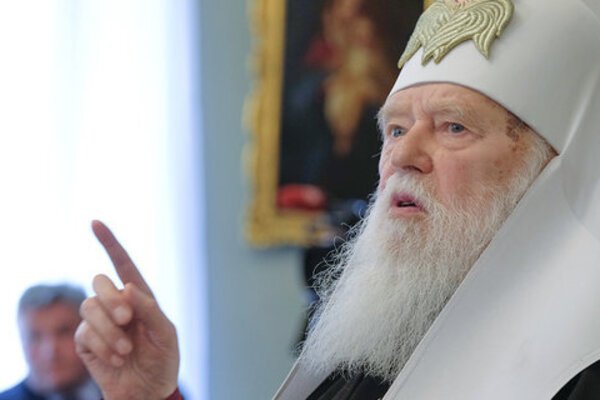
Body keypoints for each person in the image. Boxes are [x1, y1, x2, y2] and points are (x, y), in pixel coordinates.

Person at [75, 0, 600, 399]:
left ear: (549, 165)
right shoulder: (380, 336)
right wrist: (155, 395)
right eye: (395, 130)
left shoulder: (582, 365)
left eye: (453, 127)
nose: (401, 157)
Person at [0, 284, 100, 400]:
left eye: (63, 332)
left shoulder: (116, 389)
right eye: (35, 337)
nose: (50, 352)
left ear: (89, 331)